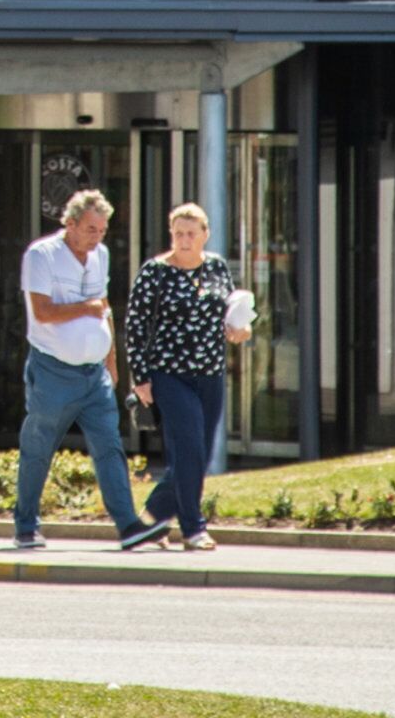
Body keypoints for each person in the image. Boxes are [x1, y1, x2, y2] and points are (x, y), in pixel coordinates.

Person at [9, 187, 158, 551]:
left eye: (103, 230)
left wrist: (111, 357)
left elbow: (104, 304)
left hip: (95, 375)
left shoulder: (100, 255)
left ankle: (128, 526)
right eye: (92, 229)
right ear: (71, 224)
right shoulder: (41, 255)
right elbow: (42, 311)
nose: (98, 237)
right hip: (52, 372)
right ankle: (26, 525)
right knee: (39, 448)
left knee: (109, 447)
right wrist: (86, 308)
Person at [123, 200, 250, 550]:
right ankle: (193, 529)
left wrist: (240, 331)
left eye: (191, 233)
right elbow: (135, 326)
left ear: (204, 235)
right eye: (178, 233)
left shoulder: (218, 268)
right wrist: (141, 377)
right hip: (169, 374)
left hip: (209, 372)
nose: (183, 239)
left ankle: (149, 522)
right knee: (190, 448)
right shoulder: (155, 271)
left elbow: (228, 317)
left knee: (199, 454)